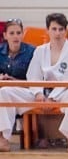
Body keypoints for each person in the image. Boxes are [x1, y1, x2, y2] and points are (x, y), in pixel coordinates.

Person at [0, 13, 68, 153]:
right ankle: (3, 139)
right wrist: (39, 94)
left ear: (66, 31)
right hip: (40, 94)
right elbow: (33, 75)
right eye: (54, 29)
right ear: (47, 30)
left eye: (61, 29)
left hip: (62, 94)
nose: (57, 33)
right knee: (5, 92)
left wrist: (52, 98)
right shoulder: (40, 51)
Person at [0, 18, 37, 152]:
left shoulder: (32, 51)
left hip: (25, 91)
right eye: (12, 33)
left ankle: (3, 138)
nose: (16, 36)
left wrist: (13, 80)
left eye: (18, 33)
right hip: (5, 90)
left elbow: (36, 79)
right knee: (4, 92)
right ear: (5, 35)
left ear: (22, 34)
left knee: (5, 93)